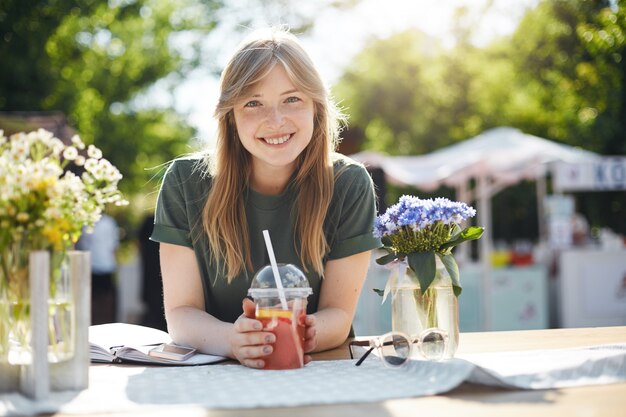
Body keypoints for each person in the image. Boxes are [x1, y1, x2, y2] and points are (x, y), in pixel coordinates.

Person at [150, 26, 381, 369]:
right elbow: (182, 315)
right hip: (215, 377)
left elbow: (339, 314)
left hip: (315, 371)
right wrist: (234, 340)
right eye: (253, 103)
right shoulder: (185, 183)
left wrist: (303, 331)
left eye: (292, 99)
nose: (275, 121)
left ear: (316, 107)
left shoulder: (349, 184)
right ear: (230, 116)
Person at [76, 213, 120, 324]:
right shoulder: (85, 222)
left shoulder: (109, 222)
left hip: (106, 267)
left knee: (106, 301)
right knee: (91, 301)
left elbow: (114, 246)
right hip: (90, 268)